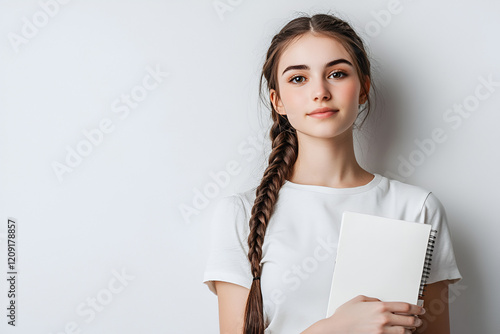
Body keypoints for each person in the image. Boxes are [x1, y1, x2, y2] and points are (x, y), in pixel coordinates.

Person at [202, 12, 462, 334]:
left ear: (363, 88)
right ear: (278, 100)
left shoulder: (417, 208)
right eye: (299, 78)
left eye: (337, 74)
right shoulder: (240, 214)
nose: (320, 91)